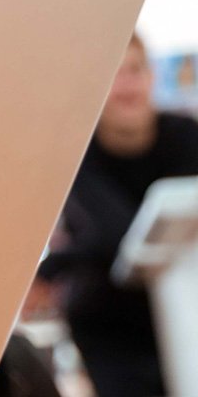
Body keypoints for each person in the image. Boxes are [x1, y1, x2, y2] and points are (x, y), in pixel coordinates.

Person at [40, 32, 198, 397]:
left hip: (186, 299)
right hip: (110, 317)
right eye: (114, 72)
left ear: (151, 75)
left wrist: (63, 260)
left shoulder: (186, 135)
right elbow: (118, 237)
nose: (127, 83)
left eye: (135, 69)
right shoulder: (78, 154)